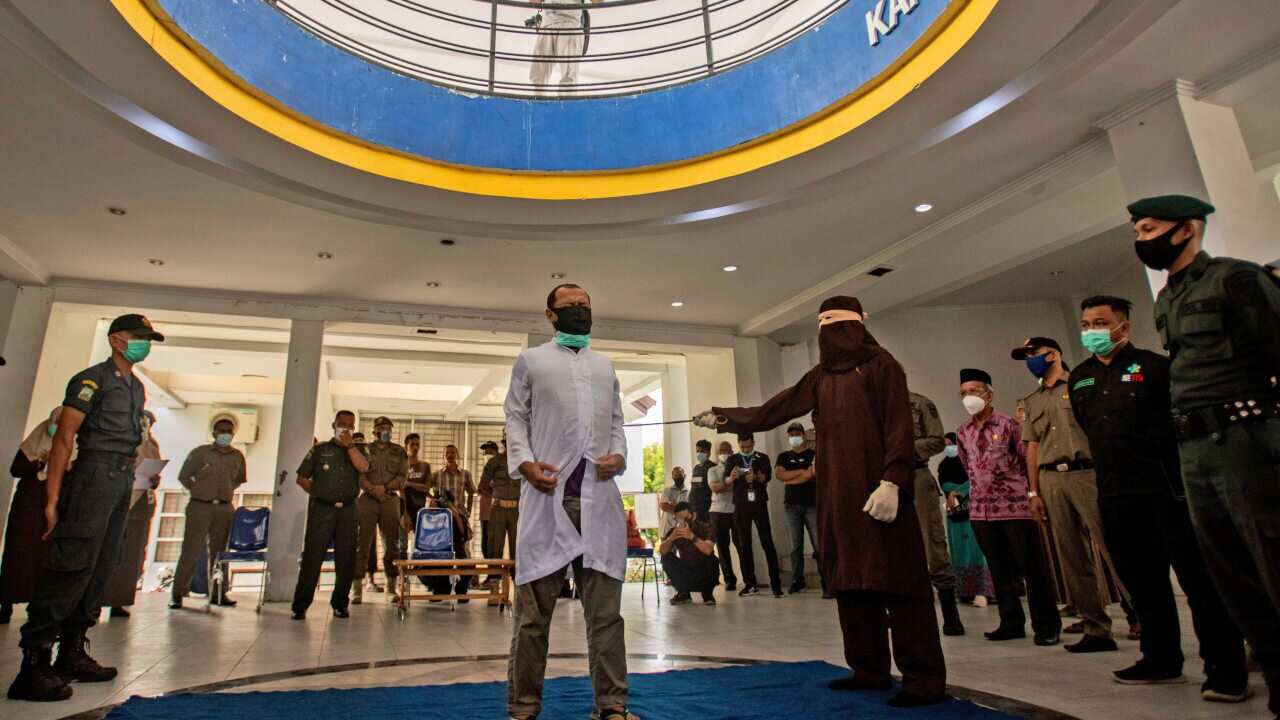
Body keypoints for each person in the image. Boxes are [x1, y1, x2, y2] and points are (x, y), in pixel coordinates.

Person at [696, 296, 947, 707]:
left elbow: (899, 429)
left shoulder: (884, 368)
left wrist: (892, 481)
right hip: (838, 496)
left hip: (880, 493)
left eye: (837, 325)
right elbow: (774, 410)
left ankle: (924, 680)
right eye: (824, 327)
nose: (831, 335)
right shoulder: (820, 377)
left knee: (900, 583)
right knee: (850, 583)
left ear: (858, 327)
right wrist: (723, 417)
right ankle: (868, 671)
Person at [1131, 194, 1280, 714]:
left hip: (1245, 436)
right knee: (1229, 571)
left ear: (1188, 229)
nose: (1142, 239)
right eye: (1138, 230)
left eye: (1151, 228)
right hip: (1193, 447)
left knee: (1271, 560)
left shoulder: (1238, 280)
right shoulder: (1167, 297)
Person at [1071, 294, 1248, 698]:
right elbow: (1088, 427)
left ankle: (1225, 668)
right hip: (1115, 495)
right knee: (1143, 583)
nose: (1091, 331)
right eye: (1085, 324)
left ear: (1123, 327)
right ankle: (1161, 659)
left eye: (1099, 323)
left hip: (1166, 492)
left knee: (1199, 584)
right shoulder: (1080, 377)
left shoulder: (1155, 368)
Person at [8, 313, 163, 703]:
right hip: (92, 475)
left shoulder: (135, 387)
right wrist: (52, 500)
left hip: (120, 479)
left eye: (148, 339)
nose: (144, 344)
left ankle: (72, 652)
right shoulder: (90, 379)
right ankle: (34, 664)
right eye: (137, 337)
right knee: (70, 565)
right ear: (116, 340)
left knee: (99, 568)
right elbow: (64, 441)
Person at [504, 283, 635, 720]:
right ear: (550, 315)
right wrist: (523, 464)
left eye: (585, 306)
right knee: (531, 619)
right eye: (570, 306)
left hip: (599, 505)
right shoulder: (532, 361)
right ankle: (524, 707)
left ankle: (612, 706)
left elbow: (617, 421)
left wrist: (619, 456)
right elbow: (515, 416)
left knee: (606, 618)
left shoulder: (605, 366)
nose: (580, 312)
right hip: (548, 501)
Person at [1014, 337, 1126, 654]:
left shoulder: (1082, 385)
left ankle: (1142, 617)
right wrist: (1033, 490)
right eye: (1027, 357)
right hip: (1052, 478)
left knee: (1114, 548)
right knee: (1072, 557)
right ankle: (1096, 628)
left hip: (1088, 473)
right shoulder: (1032, 400)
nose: (1030, 361)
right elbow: (1031, 447)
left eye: (1034, 354)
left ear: (1054, 355)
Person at [955, 368, 1062, 647]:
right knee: (999, 569)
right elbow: (968, 467)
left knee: (1032, 569)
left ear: (989, 395)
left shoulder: (1010, 426)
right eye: (964, 393)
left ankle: (1046, 625)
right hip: (981, 511)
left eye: (975, 391)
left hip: (1015, 509)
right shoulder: (962, 432)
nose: (969, 397)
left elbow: (1027, 462)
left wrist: (1032, 494)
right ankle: (1011, 622)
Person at [291, 410, 368, 621]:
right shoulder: (320, 449)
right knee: (312, 558)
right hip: (322, 510)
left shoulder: (359, 450)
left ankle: (340, 604)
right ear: (334, 424)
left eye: (350, 425)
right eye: (342, 424)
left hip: (348, 511)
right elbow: (301, 478)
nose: (346, 428)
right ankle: (300, 606)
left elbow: (364, 467)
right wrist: (319, 494)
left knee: (346, 560)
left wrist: (350, 445)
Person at [169, 415, 246, 609]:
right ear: (214, 432)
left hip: (224, 507)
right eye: (221, 430)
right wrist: (201, 490)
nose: (225, 434)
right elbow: (184, 477)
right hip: (200, 506)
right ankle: (178, 593)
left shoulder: (237, 456)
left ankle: (218, 593)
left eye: (229, 431)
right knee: (191, 550)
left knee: (220, 553)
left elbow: (238, 480)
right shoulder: (200, 453)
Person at [907, 392, 964, 636]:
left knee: (932, 545)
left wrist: (902, 448)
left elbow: (937, 441)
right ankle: (906, 613)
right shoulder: (871, 405)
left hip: (916, 475)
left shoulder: (919, 404)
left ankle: (951, 616)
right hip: (882, 481)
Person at [0, 408, 62, 625]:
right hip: (27, 505)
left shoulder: (70, 449)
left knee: (43, 557)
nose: (56, 427)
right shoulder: (34, 443)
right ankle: (5, 603)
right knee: (18, 553)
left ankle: (38, 605)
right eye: (55, 422)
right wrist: (39, 463)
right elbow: (16, 468)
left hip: (52, 508)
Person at [102, 410, 162, 617]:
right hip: (117, 497)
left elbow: (155, 472)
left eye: (149, 424)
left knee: (131, 554)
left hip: (141, 501)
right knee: (109, 549)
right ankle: (93, 601)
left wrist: (154, 479)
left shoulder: (151, 445)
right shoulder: (119, 439)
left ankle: (118, 600)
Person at [353, 416, 406, 605]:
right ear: (374, 431)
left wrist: (384, 488)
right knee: (361, 545)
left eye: (389, 428)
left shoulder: (399, 451)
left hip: (390, 501)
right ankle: (357, 589)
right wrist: (373, 489)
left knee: (392, 545)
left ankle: (391, 589)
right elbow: (359, 476)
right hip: (367, 500)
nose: (386, 431)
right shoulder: (365, 450)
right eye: (382, 427)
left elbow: (402, 477)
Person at [723, 433, 783, 598]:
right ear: (738, 444)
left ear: (753, 443)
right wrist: (732, 477)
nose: (746, 449)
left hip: (759, 504)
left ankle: (776, 585)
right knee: (744, 544)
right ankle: (750, 584)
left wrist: (755, 476)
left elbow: (767, 477)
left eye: (748, 446)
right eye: (742, 447)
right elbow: (726, 481)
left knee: (767, 543)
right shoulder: (732, 459)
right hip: (741, 505)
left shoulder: (762, 457)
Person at [938, 432, 992, 606]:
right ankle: (965, 591)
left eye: (950, 443)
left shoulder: (970, 461)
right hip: (954, 511)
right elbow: (944, 485)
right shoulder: (943, 465)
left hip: (973, 509)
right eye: (945, 444)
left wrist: (958, 491)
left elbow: (975, 480)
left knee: (977, 549)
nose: (948, 447)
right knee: (959, 549)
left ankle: (983, 590)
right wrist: (952, 493)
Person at [776, 422, 826, 596]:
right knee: (795, 546)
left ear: (803, 435)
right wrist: (803, 473)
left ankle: (826, 582)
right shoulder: (783, 456)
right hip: (791, 507)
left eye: (796, 433)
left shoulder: (813, 454)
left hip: (812, 505)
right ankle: (798, 581)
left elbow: (814, 473)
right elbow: (780, 475)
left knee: (819, 545)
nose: (794, 437)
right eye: (791, 434)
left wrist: (793, 477)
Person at [427, 444, 475, 600]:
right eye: (447, 452)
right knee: (442, 554)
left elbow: (472, 492)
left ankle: (462, 590)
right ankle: (441, 589)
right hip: (441, 520)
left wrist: (467, 510)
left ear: (457, 455)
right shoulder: (436, 475)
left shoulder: (465, 474)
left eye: (453, 452)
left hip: (459, 517)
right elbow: (425, 489)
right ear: (443, 456)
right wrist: (433, 501)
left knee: (461, 553)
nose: (450, 455)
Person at [527, 0, 602, 94]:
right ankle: (536, 104)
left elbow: (598, 1)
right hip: (547, 25)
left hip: (570, 24)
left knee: (568, 77)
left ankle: (566, 106)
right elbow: (534, 1)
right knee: (537, 75)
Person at [659, 502, 719, 606]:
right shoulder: (676, 531)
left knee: (712, 559)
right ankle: (683, 593)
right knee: (666, 557)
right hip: (687, 571)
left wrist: (692, 537)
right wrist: (671, 538)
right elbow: (662, 551)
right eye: (679, 519)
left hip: (704, 571)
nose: (683, 522)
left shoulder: (706, 528)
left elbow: (708, 549)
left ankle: (707, 593)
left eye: (686, 518)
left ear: (693, 514)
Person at [482, 436, 520, 582]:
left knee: (517, 548)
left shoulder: (524, 462)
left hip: (517, 510)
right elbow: (482, 485)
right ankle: (493, 585)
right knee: (494, 547)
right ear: (504, 444)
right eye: (508, 442)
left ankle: (518, 585)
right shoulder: (494, 462)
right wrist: (496, 494)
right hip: (498, 509)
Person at [706, 440, 740, 592]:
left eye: (727, 450)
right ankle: (729, 579)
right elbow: (715, 488)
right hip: (717, 511)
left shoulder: (738, 468)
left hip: (735, 510)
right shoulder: (712, 470)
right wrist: (731, 482)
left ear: (732, 452)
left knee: (741, 544)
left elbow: (739, 487)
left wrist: (726, 483)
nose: (724, 454)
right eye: (721, 451)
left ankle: (749, 579)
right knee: (722, 547)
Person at [477, 440, 499, 572]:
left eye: (490, 451)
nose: (487, 454)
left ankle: (494, 575)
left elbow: (495, 488)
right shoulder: (485, 470)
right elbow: (480, 488)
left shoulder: (500, 469)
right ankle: (490, 574)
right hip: (484, 511)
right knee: (484, 544)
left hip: (496, 511)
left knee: (494, 544)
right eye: (485, 452)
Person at [658, 466, 689, 540]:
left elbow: (689, 511)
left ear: (684, 476)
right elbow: (663, 506)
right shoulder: (667, 490)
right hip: (667, 530)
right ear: (672, 477)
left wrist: (673, 508)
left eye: (680, 475)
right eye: (675, 475)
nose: (678, 477)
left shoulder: (689, 492)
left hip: (682, 531)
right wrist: (682, 510)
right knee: (668, 551)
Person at [688, 439, 715, 523]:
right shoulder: (696, 468)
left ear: (709, 453)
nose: (699, 453)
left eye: (702, 451)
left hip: (706, 507)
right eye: (697, 451)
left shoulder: (713, 467)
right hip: (694, 507)